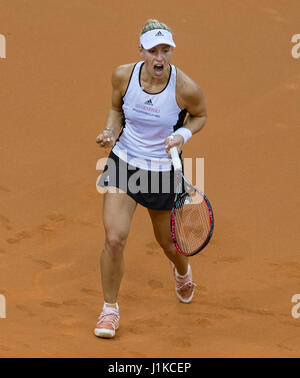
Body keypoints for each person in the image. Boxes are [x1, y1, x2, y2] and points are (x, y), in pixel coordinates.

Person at [95, 19, 207, 338]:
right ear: (141, 50)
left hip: (161, 171)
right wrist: (109, 132)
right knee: (114, 238)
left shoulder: (186, 88)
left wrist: (183, 134)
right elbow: (116, 110)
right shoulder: (122, 76)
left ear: (171, 50)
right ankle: (109, 310)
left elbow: (200, 115)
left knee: (169, 243)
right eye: (153, 50)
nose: (160, 57)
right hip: (125, 163)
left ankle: (182, 271)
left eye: (165, 50)